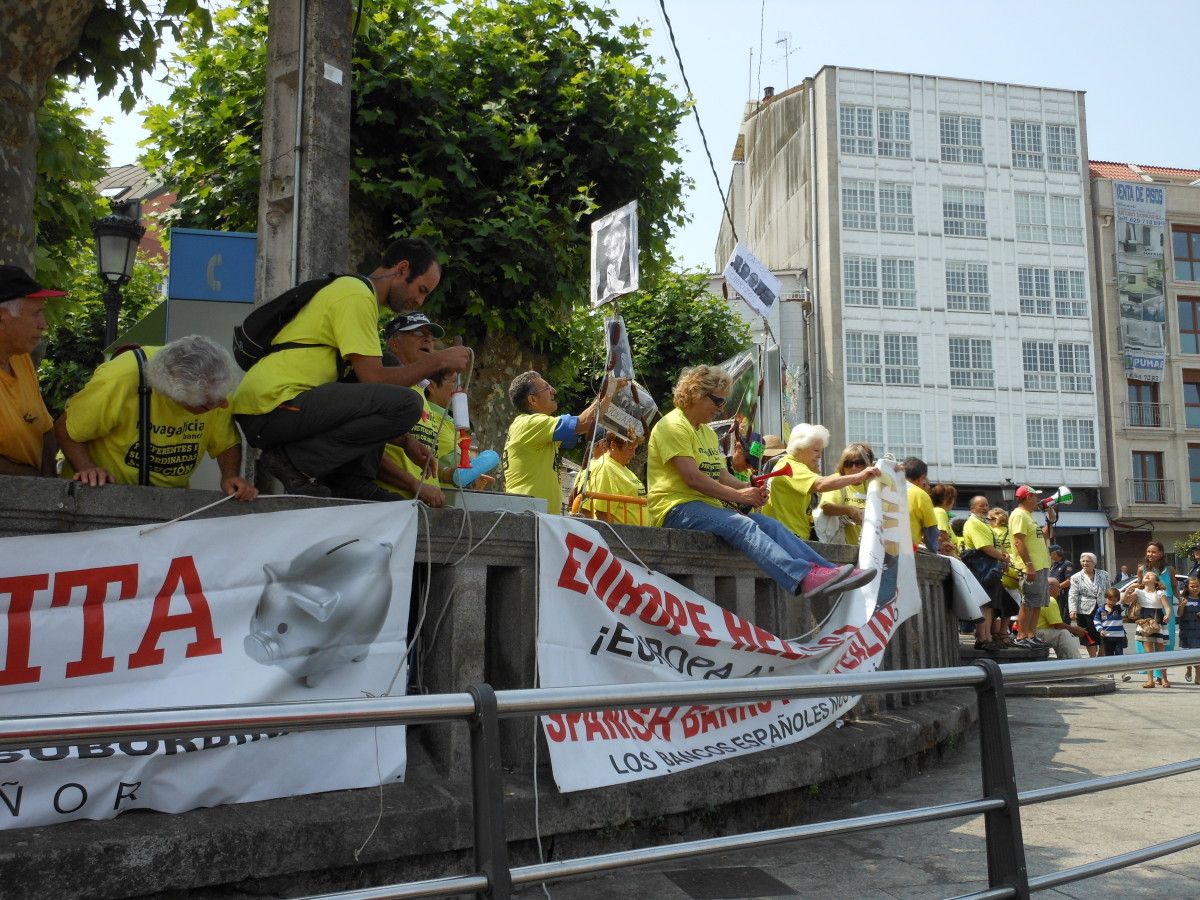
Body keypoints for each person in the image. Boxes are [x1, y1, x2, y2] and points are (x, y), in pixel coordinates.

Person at [233, 238, 471, 500]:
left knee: (389, 366)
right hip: (272, 404)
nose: (420, 300)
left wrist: (404, 441)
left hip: (286, 404)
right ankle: (293, 463)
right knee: (407, 403)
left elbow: (367, 392)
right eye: (422, 289)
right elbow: (374, 380)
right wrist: (438, 361)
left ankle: (353, 481)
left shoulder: (360, 296)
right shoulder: (355, 295)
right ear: (402, 269)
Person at [646, 365, 875, 601]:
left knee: (770, 525)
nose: (721, 408)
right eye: (717, 401)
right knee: (743, 525)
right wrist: (741, 496)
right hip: (675, 508)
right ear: (696, 393)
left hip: (705, 508)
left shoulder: (707, 433)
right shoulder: (672, 426)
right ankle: (802, 577)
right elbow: (693, 478)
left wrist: (747, 489)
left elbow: (720, 475)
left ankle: (829, 571)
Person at [55, 336, 257, 500]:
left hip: (167, 500)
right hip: (102, 495)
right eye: (207, 405)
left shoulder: (214, 386)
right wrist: (87, 468)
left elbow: (225, 443)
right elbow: (67, 427)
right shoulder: (121, 378)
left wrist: (230, 476)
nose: (223, 405)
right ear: (174, 395)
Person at [502, 371, 613, 514]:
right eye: (547, 388)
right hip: (529, 516)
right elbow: (585, 422)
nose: (554, 391)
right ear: (533, 400)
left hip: (533, 515)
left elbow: (586, 425)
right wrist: (609, 389)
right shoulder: (530, 423)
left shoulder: (534, 429)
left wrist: (609, 390)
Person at [761, 424, 880, 540]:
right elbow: (821, 484)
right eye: (816, 450)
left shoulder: (790, 465)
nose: (819, 456)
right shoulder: (791, 467)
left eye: (820, 451)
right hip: (788, 537)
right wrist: (859, 476)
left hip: (789, 535)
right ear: (801, 448)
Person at [0, 265, 65, 477]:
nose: (43, 324)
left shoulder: (21, 358)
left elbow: (45, 429)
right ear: (2, 318)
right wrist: (34, 481)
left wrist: (47, 483)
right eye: (36, 314)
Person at [1009, 484, 1053, 650]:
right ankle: (1021, 636)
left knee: (1037, 603)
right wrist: (1028, 565)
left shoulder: (1028, 516)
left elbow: (1045, 536)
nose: (1037, 500)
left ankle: (1031, 634)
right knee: (1028, 603)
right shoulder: (1019, 515)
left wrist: (1050, 519)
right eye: (1035, 497)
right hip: (1031, 566)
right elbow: (1018, 540)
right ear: (1028, 497)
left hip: (1040, 565)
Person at [962, 495, 1009, 652]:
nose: (985, 508)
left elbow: (993, 546)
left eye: (987, 505)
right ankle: (982, 637)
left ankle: (987, 636)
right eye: (981, 505)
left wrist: (1003, 557)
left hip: (989, 566)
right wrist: (1002, 557)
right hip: (981, 566)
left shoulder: (984, 523)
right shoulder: (974, 523)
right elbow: (984, 547)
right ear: (972, 508)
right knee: (983, 603)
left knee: (988, 605)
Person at [579, 432, 646, 525]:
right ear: (613, 445)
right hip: (622, 535)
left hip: (636, 534)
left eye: (635, 449)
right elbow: (602, 514)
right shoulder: (606, 468)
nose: (633, 454)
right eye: (630, 449)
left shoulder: (622, 467)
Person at [817, 442, 875, 545]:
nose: (853, 467)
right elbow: (826, 508)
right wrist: (849, 510)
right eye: (848, 463)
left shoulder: (873, 484)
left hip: (869, 548)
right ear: (842, 466)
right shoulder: (837, 480)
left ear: (868, 465)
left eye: (859, 463)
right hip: (843, 550)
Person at [1138, 540, 1177, 686]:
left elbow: (1174, 586)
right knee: (1149, 642)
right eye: (1148, 551)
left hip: (1166, 609)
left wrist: (1182, 599)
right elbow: (1140, 587)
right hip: (1149, 610)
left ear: (1161, 553)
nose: (1150, 554)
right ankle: (1154, 676)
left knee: (1167, 642)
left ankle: (1161, 675)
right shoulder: (1142, 569)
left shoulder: (1170, 569)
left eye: (1153, 551)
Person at [1124, 572, 1170, 688]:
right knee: (1148, 654)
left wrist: (1168, 615)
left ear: (1156, 581)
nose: (1147, 575)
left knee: (1161, 654)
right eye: (1145, 575)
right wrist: (1127, 591)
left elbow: (1166, 607)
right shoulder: (1139, 592)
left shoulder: (1160, 592)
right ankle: (1150, 680)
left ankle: (1165, 679)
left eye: (1151, 575)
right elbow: (1124, 601)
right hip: (1144, 623)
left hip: (1157, 622)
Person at [1068, 553, 1108, 657]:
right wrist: (1072, 610)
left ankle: (1101, 654)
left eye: (1088, 561)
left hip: (1102, 608)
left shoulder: (1104, 574)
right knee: (1088, 634)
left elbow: (1109, 590)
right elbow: (1073, 594)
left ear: (1094, 563)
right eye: (1083, 561)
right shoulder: (1076, 577)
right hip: (1084, 610)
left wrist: (1111, 604)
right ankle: (1093, 658)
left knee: (1104, 632)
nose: (1085, 563)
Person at [1035, 578, 1085, 659]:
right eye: (1058, 587)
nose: (1060, 589)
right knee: (1063, 633)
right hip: (1037, 633)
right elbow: (1058, 625)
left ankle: (1064, 659)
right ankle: (1074, 660)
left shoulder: (1037, 597)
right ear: (1050, 587)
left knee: (1059, 633)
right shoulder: (1050, 600)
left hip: (1033, 632)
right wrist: (1075, 630)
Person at [902, 457, 938, 553]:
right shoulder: (920, 494)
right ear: (922, 478)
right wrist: (935, 551)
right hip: (907, 552)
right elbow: (931, 531)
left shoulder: (888, 488)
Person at [1093, 587, 1128, 658]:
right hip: (1106, 636)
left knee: (1119, 654)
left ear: (1117, 600)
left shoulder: (1118, 608)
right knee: (1108, 655)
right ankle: (1110, 668)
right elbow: (1096, 621)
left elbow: (1125, 603)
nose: (1111, 602)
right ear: (1106, 598)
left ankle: (1118, 668)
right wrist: (1100, 629)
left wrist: (1127, 592)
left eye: (1114, 600)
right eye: (1109, 599)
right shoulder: (1100, 610)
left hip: (1119, 637)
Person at [1177, 576, 1200, 683]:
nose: (1195, 588)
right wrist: (1181, 606)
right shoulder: (1184, 599)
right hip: (1186, 629)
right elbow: (1179, 614)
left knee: (1197, 653)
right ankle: (1188, 668)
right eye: (1192, 586)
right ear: (1187, 587)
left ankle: (1198, 675)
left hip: (1198, 630)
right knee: (1188, 652)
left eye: (1197, 586)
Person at [1048, 545, 1074, 623]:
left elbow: (1068, 581)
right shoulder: (1053, 565)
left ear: (1055, 553)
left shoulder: (1067, 564)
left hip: (1062, 595)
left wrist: (1057, 587)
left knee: (1062, 616)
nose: (1049, 556)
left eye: (1050, 553)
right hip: (1052, 595)